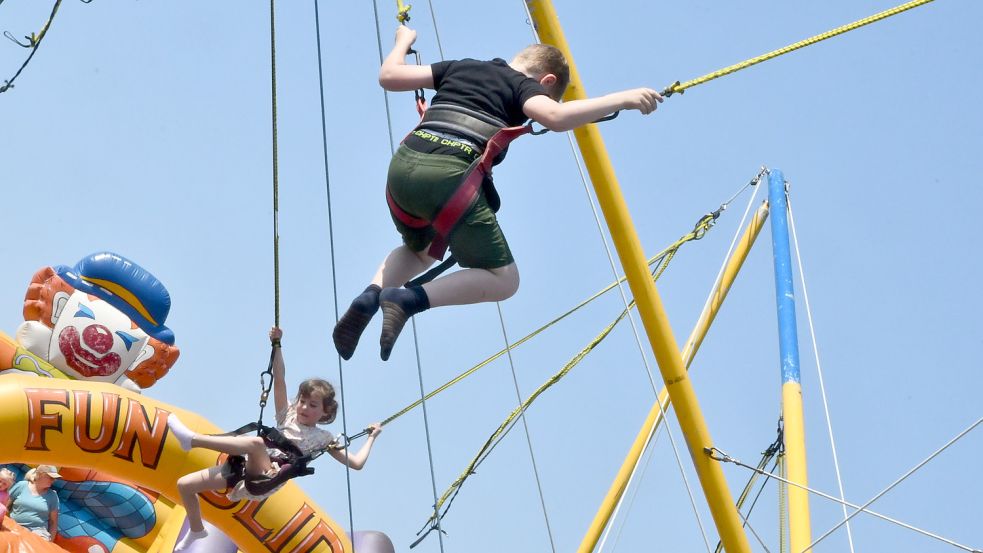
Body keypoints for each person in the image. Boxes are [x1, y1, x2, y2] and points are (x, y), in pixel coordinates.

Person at [332, 25, 663, 361]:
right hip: (448, 178)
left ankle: (370, 295)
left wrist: (403, 41)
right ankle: (406, 300)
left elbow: (389, 75)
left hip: (402, 171)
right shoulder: (524, 86)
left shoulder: (461, 66)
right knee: (505, 280)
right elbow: (555, 117)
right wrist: (625, 98)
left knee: (421, 252)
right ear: (546, 81)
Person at [166, 327, 382, 552]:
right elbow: (280, 379)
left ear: (325, 413)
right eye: (302, 401)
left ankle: (192, 440)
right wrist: (277, 344)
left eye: (313, 405)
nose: (304, 407)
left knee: (255, 443)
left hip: (267, 478)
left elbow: (355, 463)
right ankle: (196, 530)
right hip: (243, 469)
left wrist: (372, 437)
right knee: (185, 485)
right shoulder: (286, 415)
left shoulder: (323, 438)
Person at [5, 465, 60, 541]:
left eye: (54, 478)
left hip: (39, 532)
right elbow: (5, 506)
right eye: (51, 477)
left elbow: (53, 522)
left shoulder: (52, 496)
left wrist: (50, 542)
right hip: (14, 526)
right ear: (40, 475)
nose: (53, 480)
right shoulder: (22, 486)